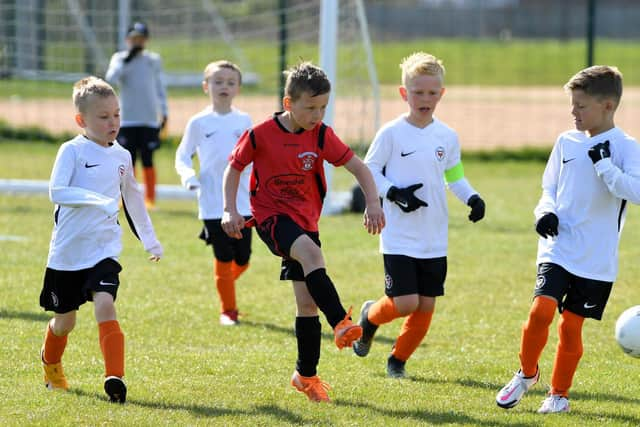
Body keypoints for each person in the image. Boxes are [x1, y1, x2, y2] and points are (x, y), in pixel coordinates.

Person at [221, 61, 385, 402]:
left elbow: (358, 167)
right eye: (310, 107)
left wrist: (373, 203)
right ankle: (341, 321)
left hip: (305, 222)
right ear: (288, 103)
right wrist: (229, 209)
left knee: (307, 304)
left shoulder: (322, 135)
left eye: (323, 107)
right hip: (270, 217)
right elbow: (234, 168)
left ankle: (305, 376)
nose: (317, 114)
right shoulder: (260, 134)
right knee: (312, 255)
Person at [496, 65, 640, 414]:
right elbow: (549, 187)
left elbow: (635, 191)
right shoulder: (566, 141)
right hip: (558, 245)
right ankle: (526, 374)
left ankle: (558, 394)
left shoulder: (626, 146)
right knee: (541, 309)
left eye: (580, 105)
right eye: (572, 104)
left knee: (571, 325)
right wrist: (543, 212)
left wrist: (605, 166)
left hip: (596, 257)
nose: (572, 112)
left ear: (608, 106)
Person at [353, 52, 485, 378]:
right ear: (404, 93)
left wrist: (473, 197)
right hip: (398, 232)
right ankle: (370, 317)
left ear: (441, 93)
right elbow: (369, 169)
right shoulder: (392, 133)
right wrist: (394, 193)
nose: (424, 99)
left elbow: (454, 176)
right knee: (405, 302)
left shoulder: (447, 136)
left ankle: (397, 361)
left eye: (431, 93)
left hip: (434, 235)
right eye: (417, 92)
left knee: (426, 306)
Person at [39, 76, 163, 403]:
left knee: (105, 304)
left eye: (117, 115)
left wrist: (150, 241)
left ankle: (115, 377)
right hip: (67, 253)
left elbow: (133, 199)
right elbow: (57, 191)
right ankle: (51, 364)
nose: (113, 123)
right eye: (104, 117)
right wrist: (98, 199)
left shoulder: (122, 156)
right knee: (64, 322)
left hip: (104, 250)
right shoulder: (71, 151)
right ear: (82, 120)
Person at [175, 60, 253, 326]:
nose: (224, 87)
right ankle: (227, 310)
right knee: (223, 257)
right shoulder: (198, 122)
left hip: (243, 202)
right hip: (211, 204)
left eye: (230, 83)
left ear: (238, 89)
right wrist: (189, 178)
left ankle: (224, 284)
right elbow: (182, 155)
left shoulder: (244, 121)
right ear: (205, 86)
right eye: (218, 82)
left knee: (243, 259)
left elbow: (255, 157)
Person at [105, 21, 168, 210]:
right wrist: (127, 60)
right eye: (133, 39)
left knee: (148, 159)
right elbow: (111, 79)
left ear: (146, 40)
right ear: (127, 40)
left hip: (148, 120)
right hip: (127, 119)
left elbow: (160, 87)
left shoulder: (153, 60)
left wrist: (164, 113)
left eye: (140, 39)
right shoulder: (120, 58)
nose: (137, 42)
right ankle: (124, 199)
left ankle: (150, 198)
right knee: (127, 161)